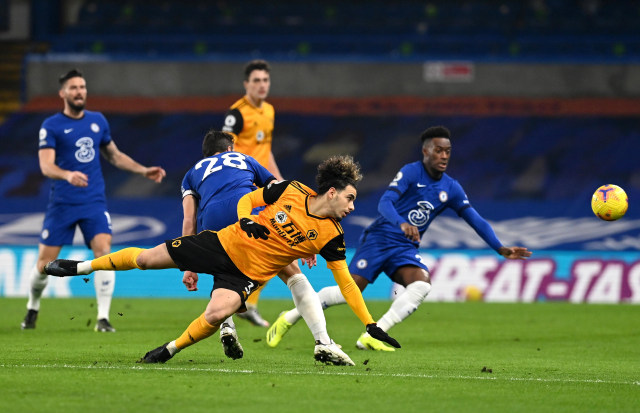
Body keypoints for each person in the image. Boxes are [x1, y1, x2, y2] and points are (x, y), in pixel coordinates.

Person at [43, 155, 400, 364]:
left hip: (245, 274)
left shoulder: (332, 236)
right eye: (350, 198)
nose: (353, 207)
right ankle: (78, 267)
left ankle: (168, 351)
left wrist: (369, 324)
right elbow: (249, 199)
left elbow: (346, 282)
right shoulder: (289, 190)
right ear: (333, 192)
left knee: (217, 313)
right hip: (221, 243)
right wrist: (246, 219)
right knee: (147, 260)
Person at [266, 126, 532, 351]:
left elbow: (473, 217)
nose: (443, 155)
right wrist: (401, 222)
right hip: (381, 238)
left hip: (404, 248)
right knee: (351, 291)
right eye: (438, 150)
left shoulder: (451, 187)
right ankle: (288, 317)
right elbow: (385, 203)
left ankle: (374, 334)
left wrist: (500, 247)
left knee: (422, 285)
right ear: (426, 151)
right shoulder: (411, 173)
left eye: (447, 151)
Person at [180, 129, 352, 364]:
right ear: (230, 149)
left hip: (211, 221)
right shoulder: (244, 159)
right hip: (249, 217)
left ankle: (227, 326)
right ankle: (323, 341)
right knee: (293, 275)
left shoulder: (191, 174)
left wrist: (189, 265)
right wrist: (303, 239)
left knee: (223, 273)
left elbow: (188, 220)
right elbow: (279, 188)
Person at [20, 69, 166, 332]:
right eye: (74, 88)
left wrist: (143, 170)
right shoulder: (51, 126)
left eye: (82, 87)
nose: (79, 92)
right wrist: (67, 174)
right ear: (62, 93)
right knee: (43, 265)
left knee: (103, 251)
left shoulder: (98, 121)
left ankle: (102, 318)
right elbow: (45, 165)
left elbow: (115, 155)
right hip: (62, 204)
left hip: (93, 202)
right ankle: (32, 307)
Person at [220, 59, 281, 327]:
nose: (261, 85)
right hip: (242, 190)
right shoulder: (237, 113)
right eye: (256, 80)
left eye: (265, 80)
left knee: (276, 246)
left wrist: (279, 181)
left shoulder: (269, 111)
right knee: (243, 249)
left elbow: (266, 152)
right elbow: (222, 149)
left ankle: (247, 304)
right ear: (246, 84)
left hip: (264, 189)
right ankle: (227, 307)